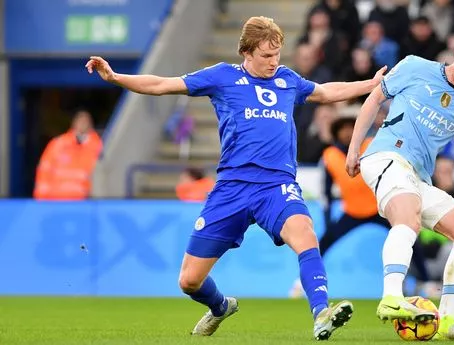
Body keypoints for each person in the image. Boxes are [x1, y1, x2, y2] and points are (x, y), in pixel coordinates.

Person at [86, 16, 386, 341]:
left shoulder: (287, 80)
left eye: (277, 55)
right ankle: (220, 307)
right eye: (266, 56)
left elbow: (327, 92)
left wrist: (371, 85)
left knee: (305, 234)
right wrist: (115, 77)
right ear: (246, 52)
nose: (274, 62)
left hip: (276, 186)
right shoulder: (222, 77)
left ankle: (321, 313)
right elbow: (162, 85)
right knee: (189, 281)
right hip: (232, 189)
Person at [346, 31, 454, 341]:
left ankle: (448, 321)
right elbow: (375, 99)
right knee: (407, 215)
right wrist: (354, 148)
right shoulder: (414, 67)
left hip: (417, 177)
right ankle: (392, 298)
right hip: (385, 157)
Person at [289, 114, 433, 298]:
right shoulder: (329, 155)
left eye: (352, 128)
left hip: (380, 207)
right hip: (352, 210)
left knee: (410, 237)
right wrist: (328, 220)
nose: (348, 133)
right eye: (344, 129)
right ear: (337, 132)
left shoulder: (372, 145)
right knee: (322, 243)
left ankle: (425, 281)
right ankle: (303, 283)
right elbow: (325, 192)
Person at [34, 109, 103, 200]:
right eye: (80, 120)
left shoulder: (98, 146)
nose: (82, 124)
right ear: (74, 123)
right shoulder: (58, 144)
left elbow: (102, 175)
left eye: (85, 121)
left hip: (84, 202)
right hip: (56, 201)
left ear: (91, 124)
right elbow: (44, 171)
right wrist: (41, 200)